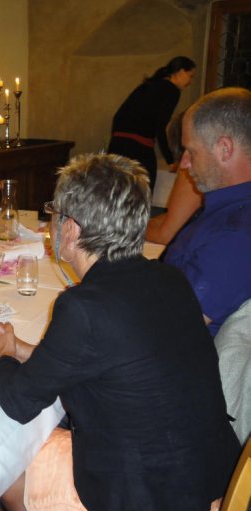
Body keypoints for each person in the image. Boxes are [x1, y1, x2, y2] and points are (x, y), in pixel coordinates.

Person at [0, 153, 239, 511]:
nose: (52, 223)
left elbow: (19, 402)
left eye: (55, 213)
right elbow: (112, 358)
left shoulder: (84, 307)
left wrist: (3, 355)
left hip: (152, 507)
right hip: (216, 481)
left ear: (71, 230)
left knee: (8, 466)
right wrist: (21, 349)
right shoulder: (169, 279)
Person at [164, 87, 251, 336]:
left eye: (191, 151)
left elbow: (169, 324)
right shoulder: (226, 209)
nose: (184, 163)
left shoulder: (237, 234)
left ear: (224, 149)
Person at [108, 56, 196, 191]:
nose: (190, 81)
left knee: (116, 191)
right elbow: (160, 126)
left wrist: (116, 144)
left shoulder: (149, 85)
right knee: (143, 191)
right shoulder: (172, 90)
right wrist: (170, 160)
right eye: (190, 76)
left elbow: (118, 117)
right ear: (180, 72)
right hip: (138, 150)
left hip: (117, 146)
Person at [145, 111, 203, 244]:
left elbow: (167, 235)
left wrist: (130, 229)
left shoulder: (193, 166)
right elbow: (177, 218)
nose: (184, 164)